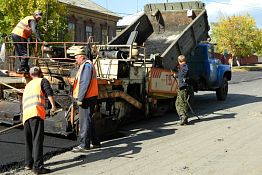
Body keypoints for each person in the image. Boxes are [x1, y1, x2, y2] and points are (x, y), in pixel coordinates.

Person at [22, 66, 56, 174]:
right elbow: (49, 92)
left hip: (26, 115)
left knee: (28, 141)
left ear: (31, 75)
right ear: (40, 73)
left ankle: (28, 163)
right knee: (37, 140)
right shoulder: (43, 81)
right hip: (36, 113)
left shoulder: (28, 85)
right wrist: (53, 106)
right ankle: (38, 167)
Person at [72, 49, 101, 152]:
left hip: (87, 98)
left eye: (76, 57)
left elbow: (84, 83)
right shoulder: (87, 65)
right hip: (89, 96)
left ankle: (84, 145)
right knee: (89, 120)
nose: (75, 60)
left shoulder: (86, 66)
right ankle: (95, 142)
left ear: (82, 56)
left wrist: (80, 98)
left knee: (84, 121)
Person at [173, 55, 190, 125]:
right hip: (183, 87)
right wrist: (176, 75)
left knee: (179, 104)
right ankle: (185, 118)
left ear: (179, 60)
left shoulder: (185, 67)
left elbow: (183, 74)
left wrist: (176, 75)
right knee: (183, 103)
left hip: (183, 87)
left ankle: (183, 117)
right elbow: (181, 74)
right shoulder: (183, 67)